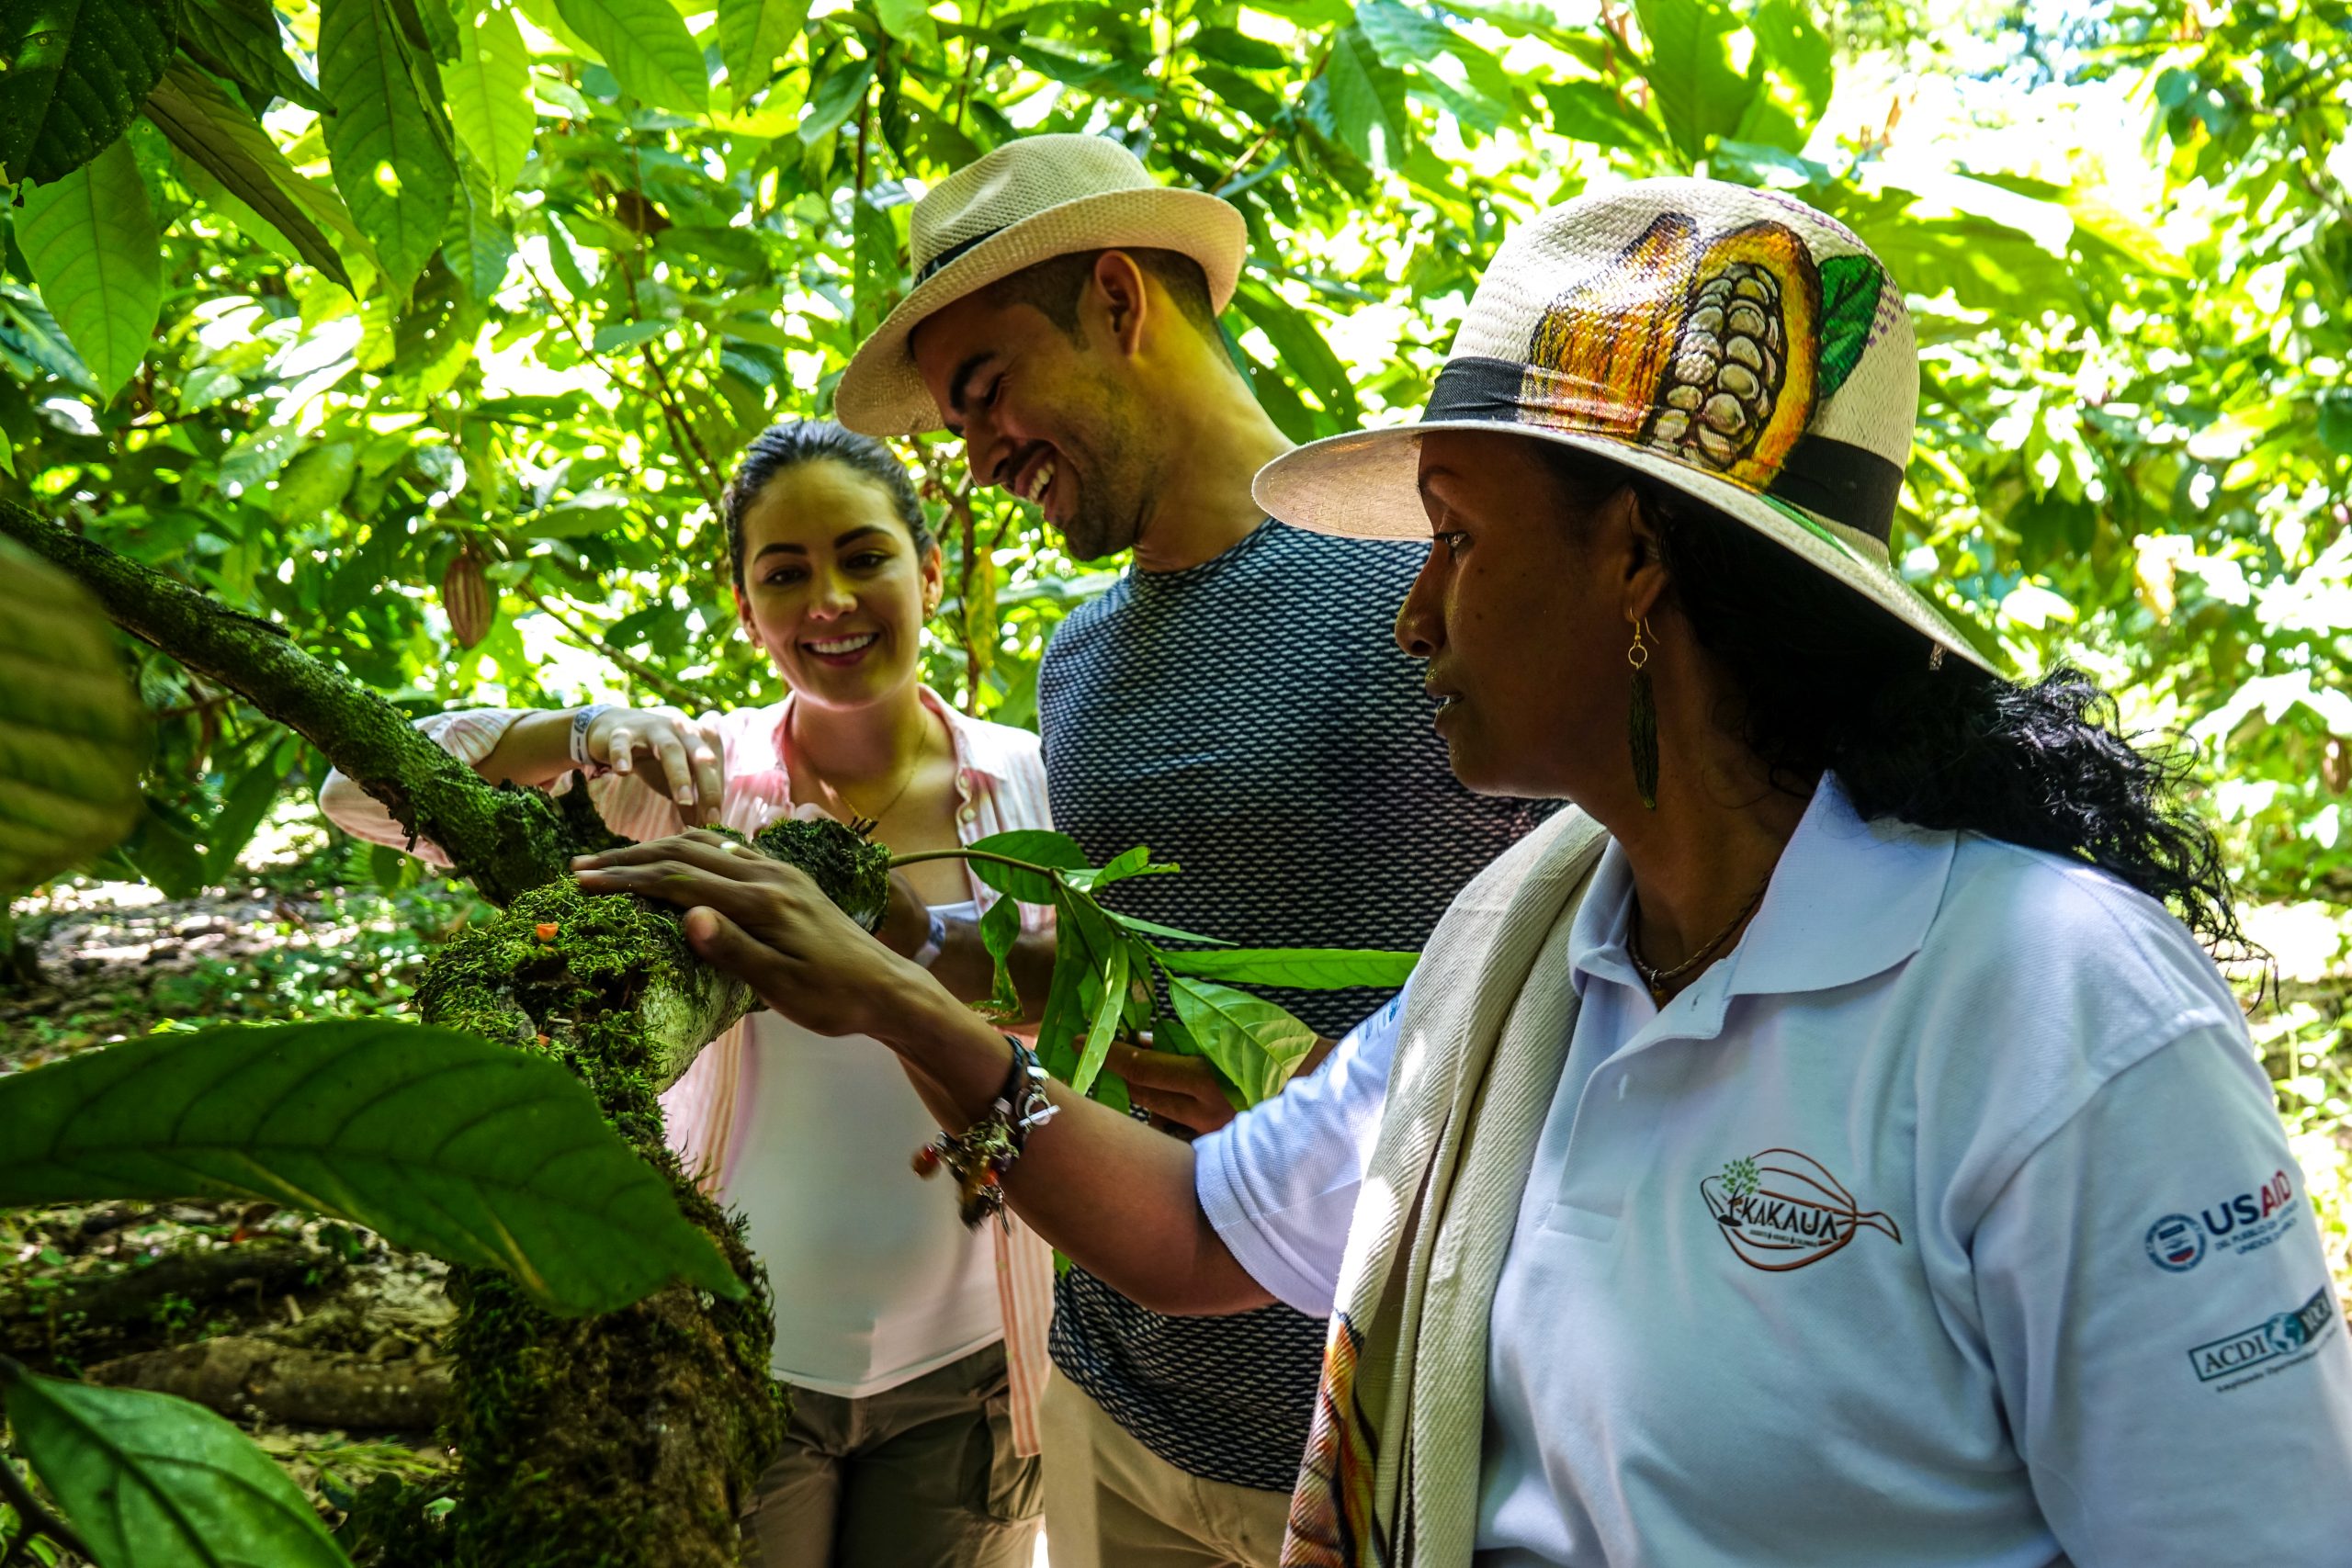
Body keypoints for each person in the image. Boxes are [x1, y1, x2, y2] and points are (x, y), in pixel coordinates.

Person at [571, 178, 2352, 1566]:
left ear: (1635, 567)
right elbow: (1201, 1229)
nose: (1412, 609)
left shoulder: (2056, 1012)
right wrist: (891, 986)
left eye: (1459, 544)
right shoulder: (1528, 955)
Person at [829, 131, 1555, 1567]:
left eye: (985, 392)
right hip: (1121, 1403)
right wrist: (863, 936)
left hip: (1392, 1421)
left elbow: (1599, 959)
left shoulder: (1429, 580)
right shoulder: (1078, 661)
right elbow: (1107, 983)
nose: (975, 457)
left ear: (1116, 299)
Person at [320, 420, 1056, 1568]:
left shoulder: (1028, 776)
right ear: (744, 606)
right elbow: (358, 788)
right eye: (785, 572)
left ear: (930, 569)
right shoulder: (688, 784)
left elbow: (1100, 1009)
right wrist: (580, 731)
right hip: (739, 1359)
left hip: (969, 1371)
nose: (831, 600)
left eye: (865, 557)